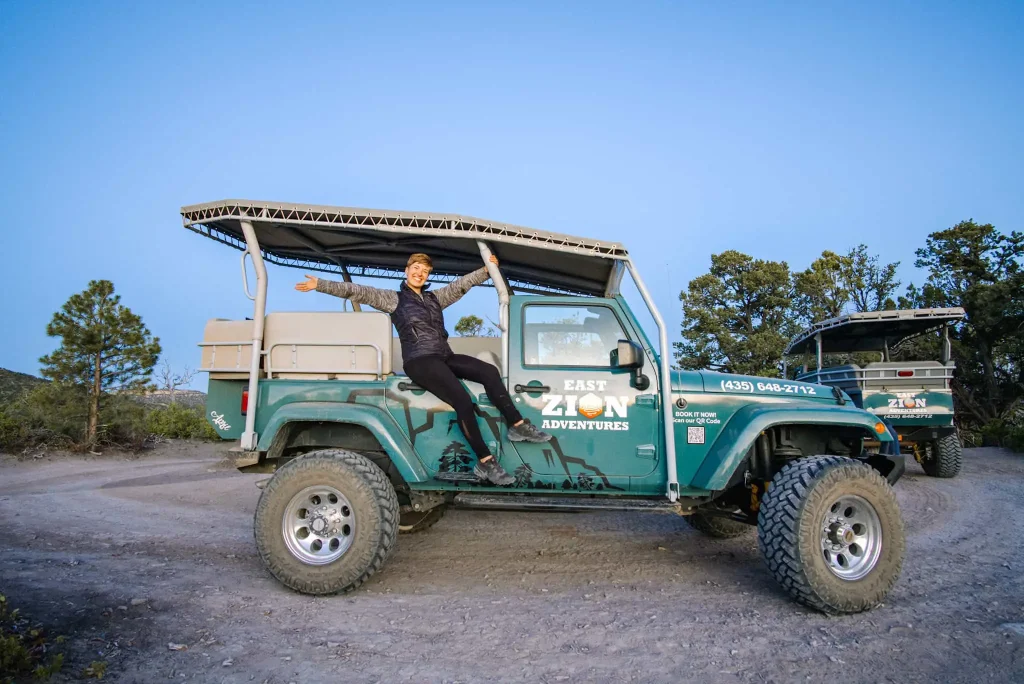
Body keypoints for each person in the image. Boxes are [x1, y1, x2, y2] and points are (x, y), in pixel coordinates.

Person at [295, 253, 552, 485]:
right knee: (463, 400)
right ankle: (485, 463)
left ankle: (517, 425)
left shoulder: (434, 299)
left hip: (443, 355)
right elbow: (359, 291)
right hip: (419, 360)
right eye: (416, 268)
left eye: (425, 271)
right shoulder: (394, 299)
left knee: (488, 371)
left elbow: (459, 286)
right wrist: (321, 285)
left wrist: (485, 271)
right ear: (407, 270)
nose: (420, 273)